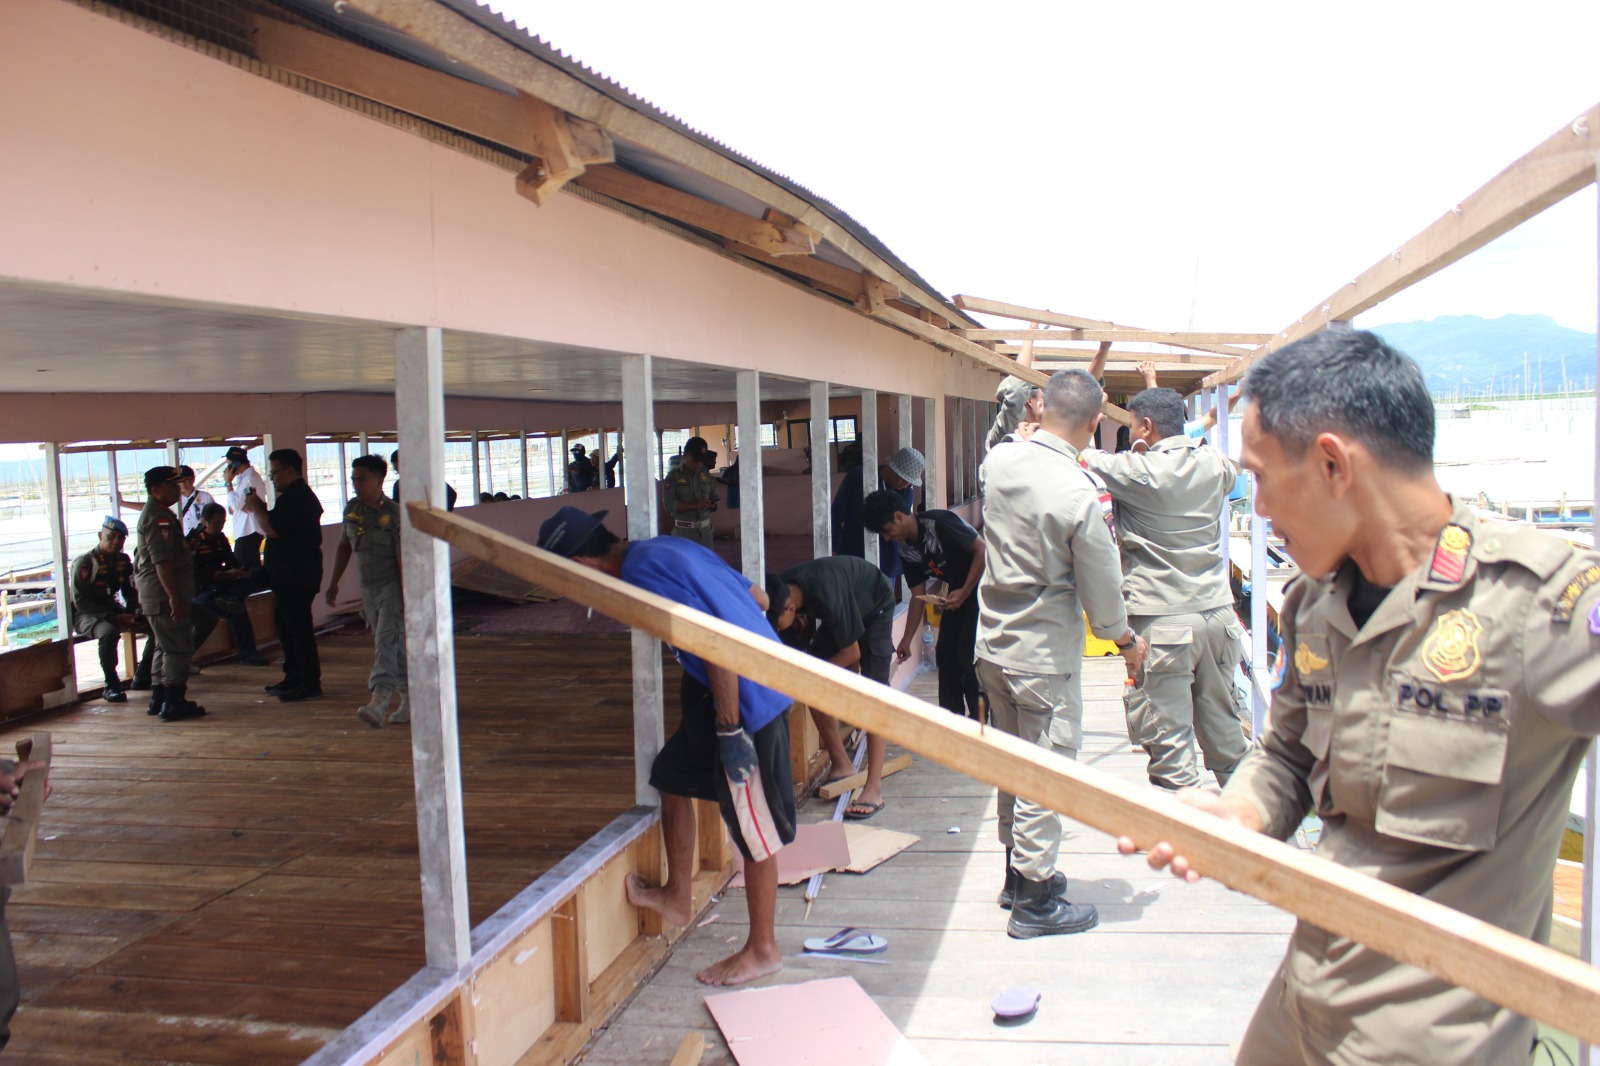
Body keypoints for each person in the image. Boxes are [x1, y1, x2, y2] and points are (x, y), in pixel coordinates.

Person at [1119, 329, 1600, 1065]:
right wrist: (1238, 812)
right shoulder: (1314, 602)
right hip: (1303, 998)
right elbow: (1286, 753)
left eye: (1262, 479)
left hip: (1428, 1042)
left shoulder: (1540, 607)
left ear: (1334, 465)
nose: (1259, 509)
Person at [537, 506, 794, 987]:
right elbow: (757, 597)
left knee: (753, 829)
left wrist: (730, 728)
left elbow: (713, 640)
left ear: (582, 565)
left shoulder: (641, 575)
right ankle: (677, 895)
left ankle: (764, 950)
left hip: (750, 703)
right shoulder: (665, 546)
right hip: (742, 684)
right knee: (672, 775)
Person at [976, 368, 1147, 939]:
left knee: (1012, 765)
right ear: (1096, 422)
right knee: (1045, 772)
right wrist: (1126, 642)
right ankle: (1033, 904)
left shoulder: (999, 461)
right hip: (1043, 656)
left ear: (1041, 406)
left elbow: (999, 443)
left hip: (992, 645)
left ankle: (1018, 876)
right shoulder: (1078, 492)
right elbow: (1103, 591)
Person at [1082, 387, 1250, 790]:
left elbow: (1080, 454)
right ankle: (1252, 819)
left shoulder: (1135, 471)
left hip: (1164, 621)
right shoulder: (1214, 463)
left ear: (1145, 426)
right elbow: (1231, 471)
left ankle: (1182, 826)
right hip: (1218, 617)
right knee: (1227, 735)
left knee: (1172, 750)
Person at [769, 556, 896, 819]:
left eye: (777, 626)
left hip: (875, 605)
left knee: (875, 696)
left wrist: (814, 675)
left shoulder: (826, 594)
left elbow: (852, 653)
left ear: (791, 609)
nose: (777, 631)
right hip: (845, 608)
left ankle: (874, 789)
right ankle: (842, 765)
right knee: (812, 685)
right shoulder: (780, 588)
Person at [860, 489, 986, 719]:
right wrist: (906, 639)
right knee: (945, 656)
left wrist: (966, 590)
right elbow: (917, 597)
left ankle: (979, 722)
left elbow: (981, 549)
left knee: (967, 657)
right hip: (956, 595)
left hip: (982, 592)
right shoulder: (906, 550)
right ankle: (952, 721)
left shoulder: (939, 523)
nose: (887, 538)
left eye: (886, 531)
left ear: (899, 516)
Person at [325, 455, 409, 729]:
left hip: (392, 587)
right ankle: (410, 696)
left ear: (380, 480)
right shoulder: (352, 510)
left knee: (385, 640)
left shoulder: (394, 514)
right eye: (354, 479)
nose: (356, 484)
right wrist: (334, 582)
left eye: (361, 479)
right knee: (391, 644)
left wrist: (407, 597)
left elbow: (402, 560)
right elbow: (344, 546)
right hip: (368, 590)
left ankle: (379, 701)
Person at [243, 448, 324, 702]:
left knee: (298, 630)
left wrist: (255, 507)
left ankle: (309, 683)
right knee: (286, 628)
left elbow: (273, 529)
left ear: (290, 471)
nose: (272, 478)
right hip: (287, 575)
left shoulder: (297, 496)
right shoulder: (290, 497)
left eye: (274, 473)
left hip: (297, 575)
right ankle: (293, 676)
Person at [132, 466, 206, 722]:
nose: (177, 490)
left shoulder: (160, 514)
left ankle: (159, 697)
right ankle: (174, 700)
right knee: (177, 647)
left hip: (157, 593)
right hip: (163, 595)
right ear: (155, 490)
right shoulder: (158, 518)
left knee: (163, 646)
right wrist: (174, 597)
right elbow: (161, 562)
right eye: (172, 486)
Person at [70, 516, 144, 703]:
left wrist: (133, 612)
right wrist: (114, 617)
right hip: (86, 613)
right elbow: (80, 602)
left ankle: (143, 674)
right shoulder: (86, 563)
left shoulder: (123, 561)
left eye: (120, 538)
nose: (115, 542)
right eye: (111, 537)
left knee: (153, 624)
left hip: (111, 607)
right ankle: (111, 684)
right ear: (100, 536)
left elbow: (129, 591)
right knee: (109, 632)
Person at [187, 503, 269, 666]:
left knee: (261, 575)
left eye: (223, 522)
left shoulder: (221, 539)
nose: (220, 526)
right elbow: (194, 574)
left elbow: (231, 561)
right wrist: (222, 575)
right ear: (204, 521)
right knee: (236, 609)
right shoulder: (193, 542)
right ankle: (247, 654)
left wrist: (241, 571)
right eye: (216, 523)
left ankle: (233, 595)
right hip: (203, 591)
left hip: (223, 585)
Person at [830, 446, 924, 586]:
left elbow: (897, 527)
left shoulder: (906, 493)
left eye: (910, 481)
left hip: (886, 563)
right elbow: (836, 513)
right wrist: (833, 548)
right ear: (892, 468)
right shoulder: (858, 476)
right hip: (852, 555)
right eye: (903, 478)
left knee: (883, 598)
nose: (906, 484)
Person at [223, 446, 270, 571]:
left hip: (249, 530)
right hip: (244, 530)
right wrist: (237, 506)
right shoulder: (243, 478)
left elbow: (235, 505)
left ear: (236, 464)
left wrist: (228, 483)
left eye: (229, 465)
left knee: (245, 570)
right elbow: (232, 508)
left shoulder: (250, 478)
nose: (227, 469)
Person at [662, 445, 718, 548]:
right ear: (685, 456)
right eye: (695, 460)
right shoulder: (673, 477)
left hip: (706, 534)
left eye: (701, 461)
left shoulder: (706, 476)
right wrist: (694, 505)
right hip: (684, 534)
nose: (698, 464)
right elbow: (668, 504)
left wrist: (712, 505)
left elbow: (715, 497)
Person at [389, 450, 458, 512]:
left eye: (402, 470)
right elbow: (396, 505)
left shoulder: (427, 479)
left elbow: (451, 495)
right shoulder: (398, 485)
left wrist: (440, 514)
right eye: (397, 470)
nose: (400, 473)